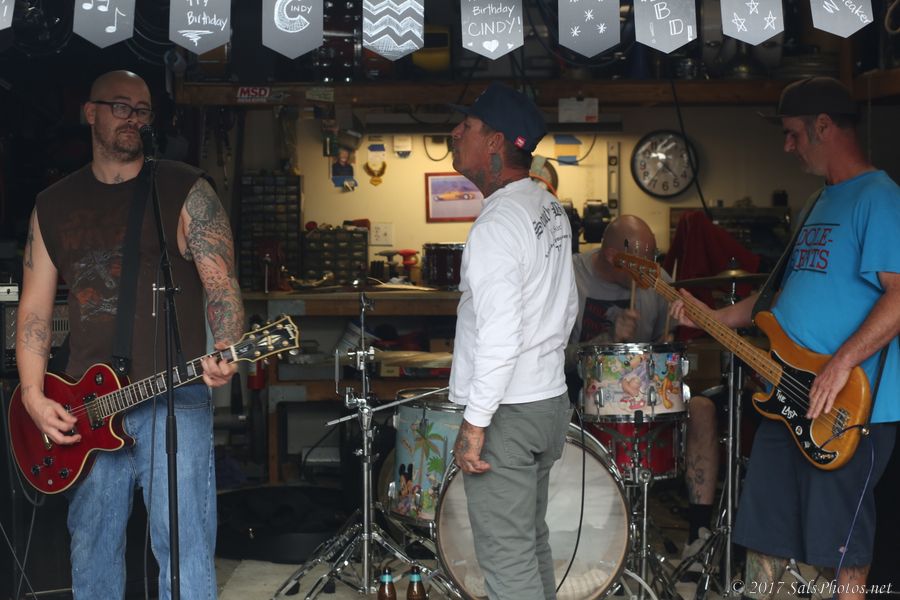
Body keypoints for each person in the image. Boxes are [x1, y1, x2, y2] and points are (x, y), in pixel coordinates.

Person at [15, 70, 244, 599]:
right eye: (120, 106)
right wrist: (31, 395)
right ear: (90, 112)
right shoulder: (53, 204)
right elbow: (35, 309)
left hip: (174, 394)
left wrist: (228, 345)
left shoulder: (185, 188)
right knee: (92, 547)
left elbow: (221, 282)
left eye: (142, 110)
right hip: (86, 405)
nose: (132, 118)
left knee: (184, 547)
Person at [672, 76, 900, 600]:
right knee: (766, 537)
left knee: (841, 549)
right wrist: (710, 317)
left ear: (824, 126)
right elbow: (776, 300)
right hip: (788, 400)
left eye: (793, 133)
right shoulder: (816, 202)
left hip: (847, 408)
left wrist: (841, 364)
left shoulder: (880, 198)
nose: (787, 146)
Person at [448, 82, 577, 600]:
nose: (455, 133)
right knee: (529, 545)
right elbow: (568, 307)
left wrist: (475, 424)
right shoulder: (547, 208)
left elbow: (500, 335)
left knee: (507, 561)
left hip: (508, 412)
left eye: (468, 126)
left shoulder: (499, 223)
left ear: (495, 141)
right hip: (545, 400)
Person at [568, 215, 719, 552]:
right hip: (586, 400)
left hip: (649, 400)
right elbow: (552, 358)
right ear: (613, 256)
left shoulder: (658, 281)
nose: (652, 272)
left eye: (654, 261)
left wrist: (668, 344)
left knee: (703, 409)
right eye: (643, 264)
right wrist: (609, 337)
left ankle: (698, 536)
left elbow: (670, 351)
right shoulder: (570, 277)